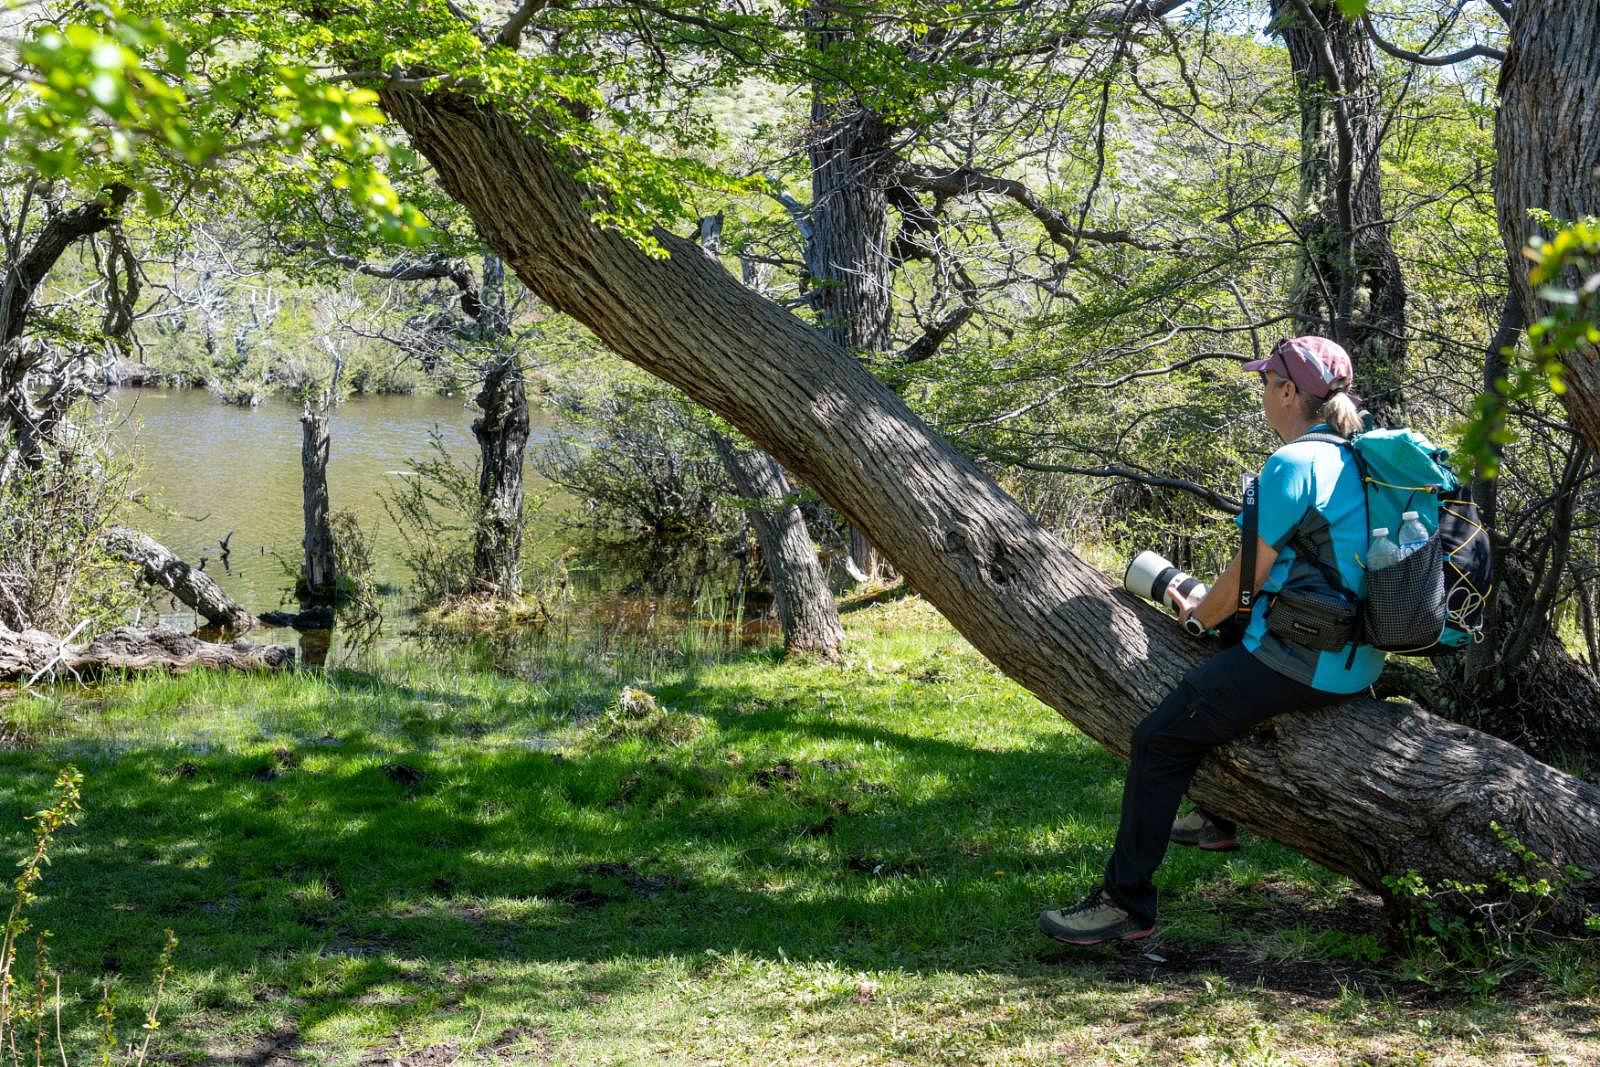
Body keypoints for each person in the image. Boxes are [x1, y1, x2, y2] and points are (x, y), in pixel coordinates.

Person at [1038, 336, 1388, 946]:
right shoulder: (1357, 458)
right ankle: (1216, 820)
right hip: (1357, 661)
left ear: (1287, 392)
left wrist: (1198, 617)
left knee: (1159, 737)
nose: (1261, 395)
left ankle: (1127, 905)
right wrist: (1213, 607)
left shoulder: (1293, 465)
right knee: (1214, 646)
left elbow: (1244, 582)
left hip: (1302, 662)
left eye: (1265, 383)